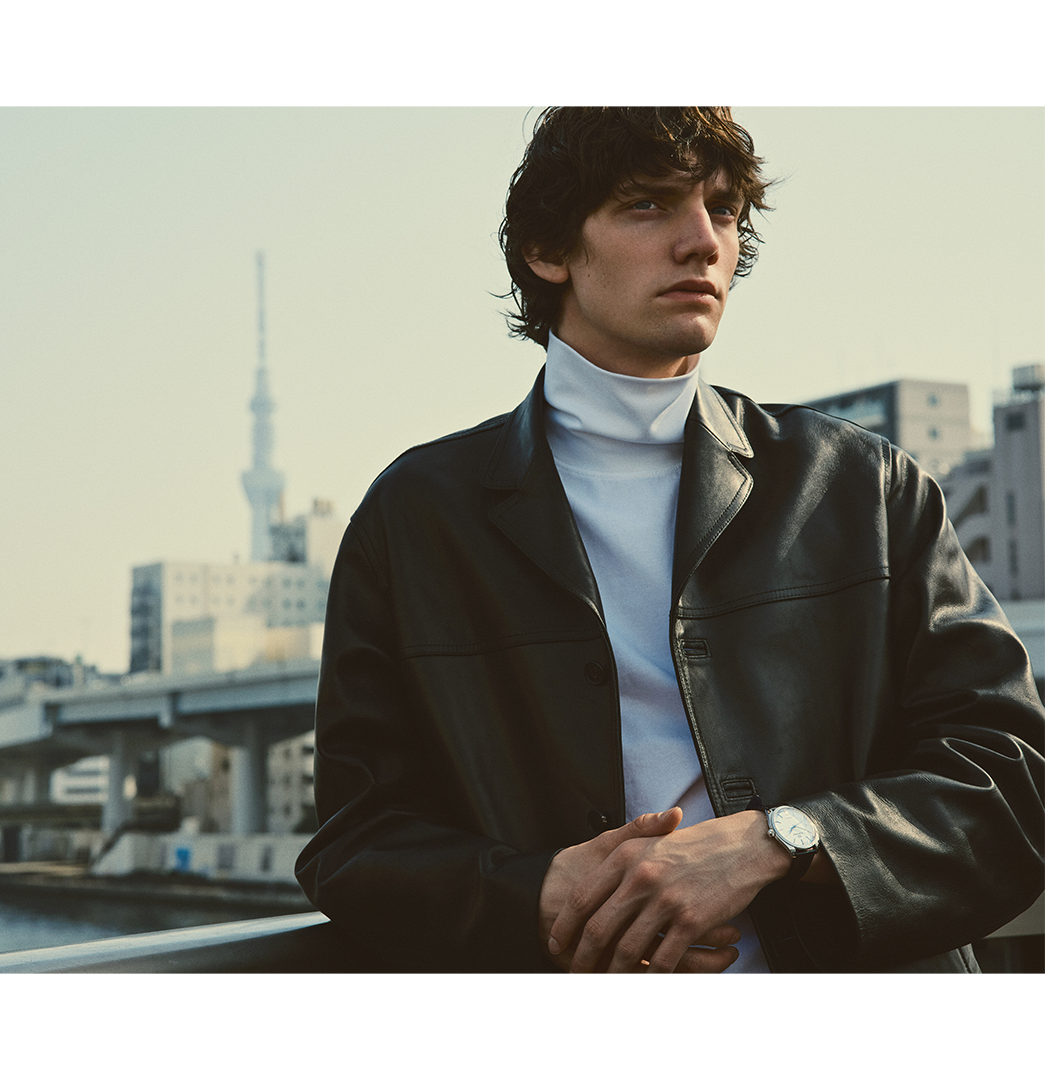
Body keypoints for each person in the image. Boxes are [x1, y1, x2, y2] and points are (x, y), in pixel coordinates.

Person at [295, 107, 1044, 973]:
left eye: (723, 210)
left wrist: (778, 840)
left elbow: (1012, 778)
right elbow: (355, 841)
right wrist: (538, 892)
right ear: (548, 250)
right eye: (648, 205)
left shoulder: (861, 488)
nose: (703, 242)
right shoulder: (417, 519)